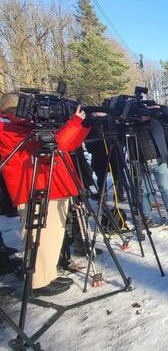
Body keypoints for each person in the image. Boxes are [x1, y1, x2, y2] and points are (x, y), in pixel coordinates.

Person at [0, 92, 90, 296]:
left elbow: (68, 144)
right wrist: (73, 122)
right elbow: (51, 145)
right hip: (34, 188)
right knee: (38, 237)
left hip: (54, 186)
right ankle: (38, 281)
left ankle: (47, 274)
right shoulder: (6, 128)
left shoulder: (29, 127)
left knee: (53, 236)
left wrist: (83, 125)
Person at [135, 103, 168, 227]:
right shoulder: (132, 124)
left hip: (160, 161)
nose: (144, 115)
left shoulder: (157, 121)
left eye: (146, 113)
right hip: (140, 162)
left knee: (165, 189)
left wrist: (158, 107)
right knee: (144, 191)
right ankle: (147, 217)